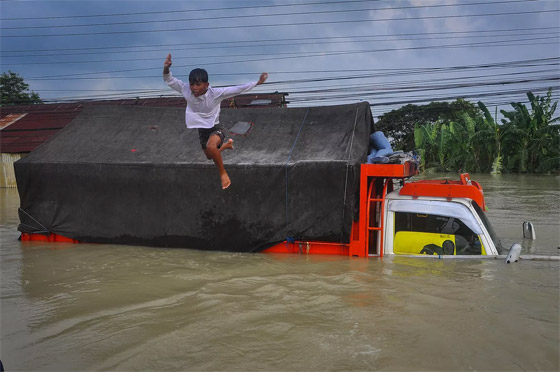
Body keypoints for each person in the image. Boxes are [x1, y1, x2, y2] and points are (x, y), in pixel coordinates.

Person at [163, 53, 268, 189]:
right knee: (209, 156)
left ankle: (223, 174)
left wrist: (256, 83)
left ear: (207, 85)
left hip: (215, 128)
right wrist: (166, 68)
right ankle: (227, 145)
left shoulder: (215, 94)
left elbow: (237, 89)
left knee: (212, 147)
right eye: (192, 85)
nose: (194, 88)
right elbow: (169, 79)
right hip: (202, 129)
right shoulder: (185, 89)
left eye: (198, 85)